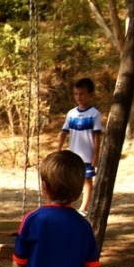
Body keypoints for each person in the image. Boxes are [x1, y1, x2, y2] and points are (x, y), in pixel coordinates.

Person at [58, 77, 103, 215]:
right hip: (73, 154)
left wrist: (96, 154)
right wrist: (59, 149)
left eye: (82, 94)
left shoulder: (94, 114)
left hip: (87, 154)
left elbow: (96, 135)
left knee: (87, 180)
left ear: (90, 95)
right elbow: (64, 132)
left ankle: (84, 208)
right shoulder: (71, 114)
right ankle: (68, 205)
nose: (79, 97)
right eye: (76, 94)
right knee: (70, 179)